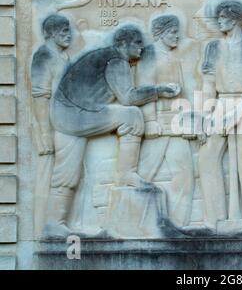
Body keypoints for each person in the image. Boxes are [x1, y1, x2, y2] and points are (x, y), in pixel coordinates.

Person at [45, 25, 180, 237]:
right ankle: (126, 174)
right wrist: (158, 90)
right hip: (77, 114)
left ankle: (54, 223)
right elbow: (128, 97)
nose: (141, 48)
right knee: (132, 115)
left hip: (64, 113)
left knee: (67, 173)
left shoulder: (101, 55)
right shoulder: (117, 59)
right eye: (137, 43)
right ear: (122, 44)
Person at [198, 0, 242, 235]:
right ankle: (213, 220)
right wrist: (205, 116)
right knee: (207, 158)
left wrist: (236, 114)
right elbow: (208, 84)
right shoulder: (212, 47)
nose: (219, 20)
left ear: (237, 19)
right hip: (220, 102)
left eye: (223, 17)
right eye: (217, 17)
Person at [136, 15, 197, 228]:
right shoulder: (150, 55)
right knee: (143, 174)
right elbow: (145, 88)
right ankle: (135, 223)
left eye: (177, 31)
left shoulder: (173, 57)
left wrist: (188, 119)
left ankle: (177, 224)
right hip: (158, 124)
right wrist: (151, 120)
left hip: (176, 124)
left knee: (185, 174)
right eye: (172, 32)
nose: (177, 36)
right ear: (161, 33)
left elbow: (184, 91)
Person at [31, 14, 72, 155]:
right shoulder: (43, 56)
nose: (69, 36)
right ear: (52, 34)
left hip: (66, 121)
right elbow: (40, 96)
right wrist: (45, 133)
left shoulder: (64, 57)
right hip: (52, 127)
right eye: (65, 31)